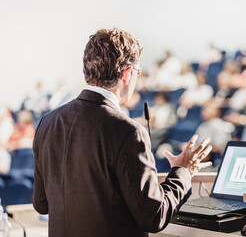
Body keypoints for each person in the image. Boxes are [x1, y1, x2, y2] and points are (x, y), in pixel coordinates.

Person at [32, 28, 212, 237]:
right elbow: (154, 216)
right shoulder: (128, 132)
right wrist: (183, 171)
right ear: (128, 73)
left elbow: (42, 204)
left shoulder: (47, 122)